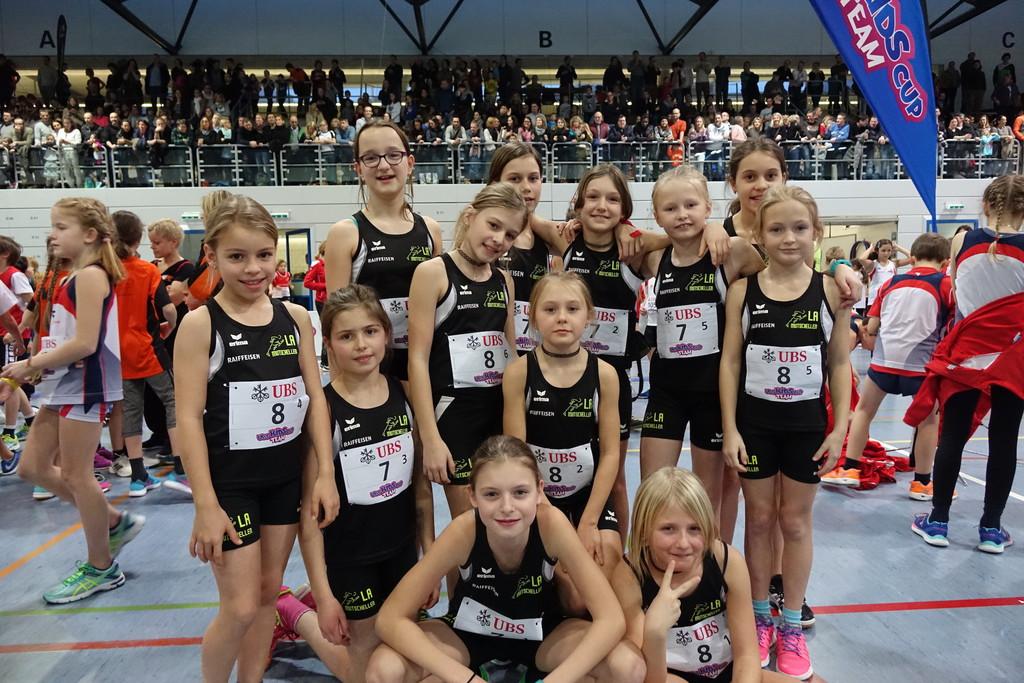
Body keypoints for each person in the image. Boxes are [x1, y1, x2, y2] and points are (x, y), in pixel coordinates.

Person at [172, 194, 339, 683]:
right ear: (211, 256)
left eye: (264, 255)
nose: (253, 269)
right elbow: (188, 419)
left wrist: (324, 474)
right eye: (237, 257)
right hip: (232, 487)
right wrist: (205, 504)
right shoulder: (202, 324)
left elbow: (315, 398)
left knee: (267, 595)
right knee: (240, 605)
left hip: (284, 481)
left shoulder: (296, 318)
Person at [368, 434, 643, 682]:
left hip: (543, 636)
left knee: (627, 665)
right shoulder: (464, 532)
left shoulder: (552, 525)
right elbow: (390, 618)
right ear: (472, 496)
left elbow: (611, 619)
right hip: (468, 638)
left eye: (520, 492)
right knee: (384, 668)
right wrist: (464, 678)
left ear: (539, 491)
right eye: (491, 494)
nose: (507, 507)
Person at [720, 185, 852, 679]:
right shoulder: (742, 291)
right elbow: (731, 363)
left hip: (805, 428)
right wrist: (730, 428)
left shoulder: (831, 291)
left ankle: (791, 623)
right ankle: (759, 618)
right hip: (755, 426)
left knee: (794, 523)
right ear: (759, 233)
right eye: (777, 229)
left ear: (816, 232)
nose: (789, 238)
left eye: (799, 228)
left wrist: (840, 429)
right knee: (758, 520)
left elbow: (839, 363)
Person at [289, 285, 434, 682]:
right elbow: (310, 517)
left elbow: (421, 492)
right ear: (329, 345)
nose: (361, 345)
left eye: (370, 331)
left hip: (401, 551)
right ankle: (297, 615)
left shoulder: (405, 394)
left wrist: (430, 561)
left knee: (403, 659)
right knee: (361, 671)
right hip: (351, 559)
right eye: (346, 336)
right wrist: (323, 596)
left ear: (387, 334)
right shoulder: (324, 411)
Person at [6, 198, 144, 604]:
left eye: (61, 226)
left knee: (77, 476)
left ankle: (102, 567)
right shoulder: (73, 276)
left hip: (86, 385)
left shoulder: (91, 277)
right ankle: (113, 521)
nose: (52, 234)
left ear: (89, 234)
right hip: (63, 383)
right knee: (32, 467)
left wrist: (31, 363)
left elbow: (85, 343)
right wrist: (33, 369)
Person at [637, 167, 765, 546]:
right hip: (666, 393)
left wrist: (839, 269)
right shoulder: (656, 259)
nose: (682, 215)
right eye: (670, 209)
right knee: (652, 488)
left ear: (708, 207)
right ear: (657, 215)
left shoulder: (731, 252)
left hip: (713, 394)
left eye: (691, 206)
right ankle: (648, 564)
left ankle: (710, 564)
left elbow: (782, 277)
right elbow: (624, 240)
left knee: (707, 496)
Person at [406, 184, 525, 576]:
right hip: (454, 421)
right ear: (471, 216)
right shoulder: (433, 273)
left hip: (498, 418)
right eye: (494, 225)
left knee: (503, 527)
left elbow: (511, 354)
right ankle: (462, 607)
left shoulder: (504, 281)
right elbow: (417, 360)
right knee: (469, 533)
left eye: (510, 234)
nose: (499, 239)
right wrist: (430, 438)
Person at [908, 175, 1024, 554]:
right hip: (1012, 358)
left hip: (967, 353)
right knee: (1004, 441)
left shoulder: (963, 241)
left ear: (986, 205)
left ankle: (938, 520)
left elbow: (957, 292)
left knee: (953, 436)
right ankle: (991, 528)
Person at [502, 271, 622, 612]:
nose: (562, 318)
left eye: (572, 308)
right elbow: (516, 455)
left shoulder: (605, 375)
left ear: (589, 315)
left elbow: (611, 454)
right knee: (563, 587)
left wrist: (588, 522)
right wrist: (545, 512)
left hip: (586, 498)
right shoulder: (519, 373)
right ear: (532, 316)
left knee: (603, 561)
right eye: (550, 309)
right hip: (538, 499)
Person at [614, 466, 795, 683]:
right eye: (668, 529)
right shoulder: (629, 575)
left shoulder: (726, 560)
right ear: (643, 532)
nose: (683, 543)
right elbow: (647, 677)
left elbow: (747, 656)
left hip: (729, 672)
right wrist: (654, 632)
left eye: (694, 529)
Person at [823, 233, 952, 496]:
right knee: (928, 421)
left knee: (863, 411)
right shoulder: (947, 284)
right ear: (945, 262)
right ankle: (922, 482)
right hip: (921, 367)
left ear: (912, 259)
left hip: (883, 362)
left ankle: (850, 468)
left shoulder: (890, 283)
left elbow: (871, 326)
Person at [324, 121, 443, 381]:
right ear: (358, 169)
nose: (384, 165)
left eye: (393, 155)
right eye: (371, 157)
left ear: (410, 163)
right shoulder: (346, 233)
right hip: (370, 378)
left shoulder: (430, 230)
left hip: (425, 372)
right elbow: (335, 325)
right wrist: (338, 394)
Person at [107, 210, 182, 497]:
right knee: (173, 401)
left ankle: (138, 476)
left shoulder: (105, 272)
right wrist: (168, 329)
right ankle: (181, 469)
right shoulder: (147, 270)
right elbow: (168, 309)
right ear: (138, 239)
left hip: (118, 354)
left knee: (130, 410)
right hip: (148, 349)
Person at [487, 142, 564, 353]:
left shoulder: (547, 237)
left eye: (533, 178)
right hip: (492, 356)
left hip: (536, 356)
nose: (526, 187)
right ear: (495, 183)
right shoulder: (480, 235)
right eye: (515, 179)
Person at [856, 238, 911, 310]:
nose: (886, 253)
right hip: (875, 300)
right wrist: (870, 249)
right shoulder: (873, 264)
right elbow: (861, 259)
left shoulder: (893, 264)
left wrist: (899, 248)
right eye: (883, 250)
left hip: (890, 299)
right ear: (877, 251)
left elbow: (912, 258)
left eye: (889, 250)